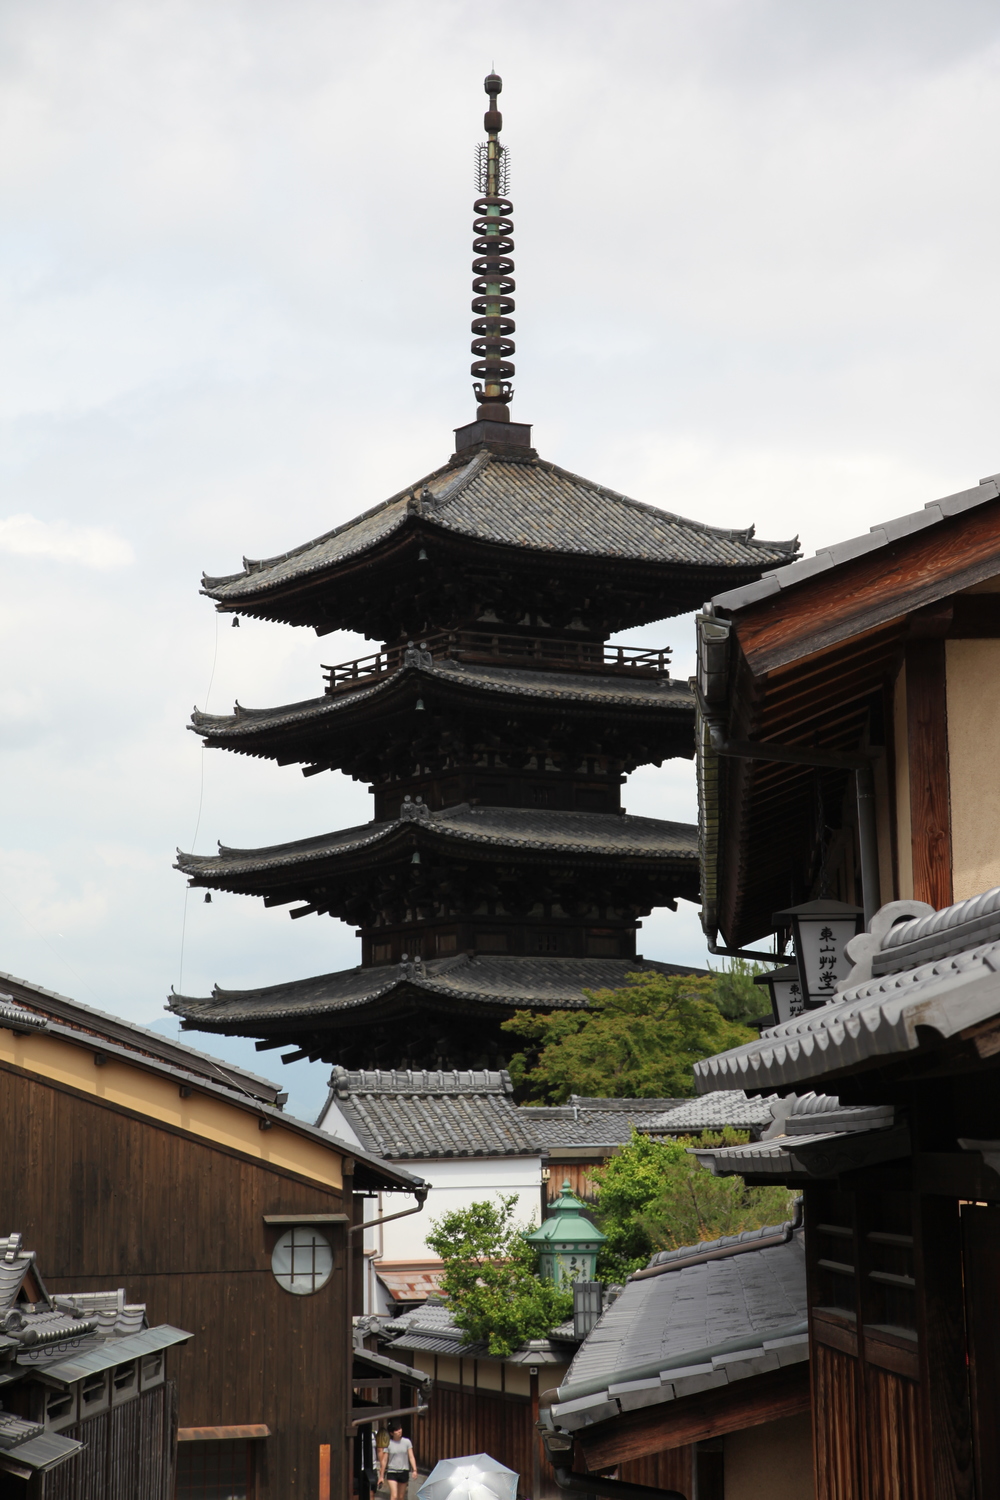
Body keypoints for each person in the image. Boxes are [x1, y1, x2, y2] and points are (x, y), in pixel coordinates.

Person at [379, 1419, 417, 1500]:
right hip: (392, 1472)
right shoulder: (388, 1444)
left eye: (400, 1428)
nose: (399, 1431)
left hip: (404, 1471)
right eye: (396, 1430)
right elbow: (384, 1460)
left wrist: (414, 1470)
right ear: (391, 1433)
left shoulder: (407, 1442)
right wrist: (381, 1476)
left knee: (401, 1497)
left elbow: (411, 1456)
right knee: (394, 1496)